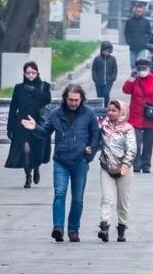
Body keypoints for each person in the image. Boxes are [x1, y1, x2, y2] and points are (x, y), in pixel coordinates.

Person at [21, 84, 100, 243]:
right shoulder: (56, 113)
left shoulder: (89, 114)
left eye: (77, 100)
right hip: (61, 161)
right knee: (60, 194)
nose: (74, 103)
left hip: (80, 161)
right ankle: (58, 227)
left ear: (82, 99)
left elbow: (96, 136)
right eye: (71, 99)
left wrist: (88, 156)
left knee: (77, 198)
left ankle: (73, 230)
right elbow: (45, 132)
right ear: (65, 98)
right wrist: (34, 127)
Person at [4, 61, 53, 188]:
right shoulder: (19, 88)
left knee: (37, 150)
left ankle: (36, 167)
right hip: (22, 123)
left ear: (37, 73)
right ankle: (28, 176)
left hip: (38, 123)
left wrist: (34, 89)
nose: (30, 75)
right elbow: (13, 107)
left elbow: (47, 99)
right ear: (24, 74)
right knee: (25, 150)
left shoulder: (44, 86)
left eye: (33, 73)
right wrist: (10, 127)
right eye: (28, 73)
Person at [97, 100, 136, 243]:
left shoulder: (128, 129)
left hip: (124, 170)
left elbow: (132, 148)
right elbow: (95, 140)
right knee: (107, 199)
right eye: (109, 110)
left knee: (123, 201)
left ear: (122, 112)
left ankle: (121, 228)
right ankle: (104, 226)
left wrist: (126, 165)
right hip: (107, 168)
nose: (110, 113)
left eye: (114, 110)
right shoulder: (103, 126)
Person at [122, 58, 153, 174]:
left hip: (150, 115)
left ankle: (146, 165)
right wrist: (131, 78)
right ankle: (136, 165)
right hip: (135, 115)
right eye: (140, 69)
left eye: (144, 68)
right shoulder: (135, 79)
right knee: (136, 143)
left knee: (148, 143)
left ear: (149, 69)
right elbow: (126, 90)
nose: (142, 71)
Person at [123, 3, 152, 71]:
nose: (138, 13)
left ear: (142, 12)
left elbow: (149, 33)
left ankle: (139, 79)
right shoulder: (129, 21)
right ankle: (134, 79)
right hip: (132, 47)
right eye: (137, 11)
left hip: (142, 47)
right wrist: (129, 41)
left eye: (140, 11)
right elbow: (126, 33)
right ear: (134, 11)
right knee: (133, 64)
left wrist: (145, 42)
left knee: (139, 64)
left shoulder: (146, 22)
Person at [91, 41, 118, 107]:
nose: (106, 52)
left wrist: (113, 77)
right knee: (100, 96)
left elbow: (115, 69)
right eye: (105, 51)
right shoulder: (97, 59)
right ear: (102, 50)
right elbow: (94, 69)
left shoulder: (113, 59)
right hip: (99, 82)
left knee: (106, 94)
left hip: (109, 81)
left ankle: (106, 107)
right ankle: (100, 109)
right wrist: (95, 78)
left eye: (108, 51)